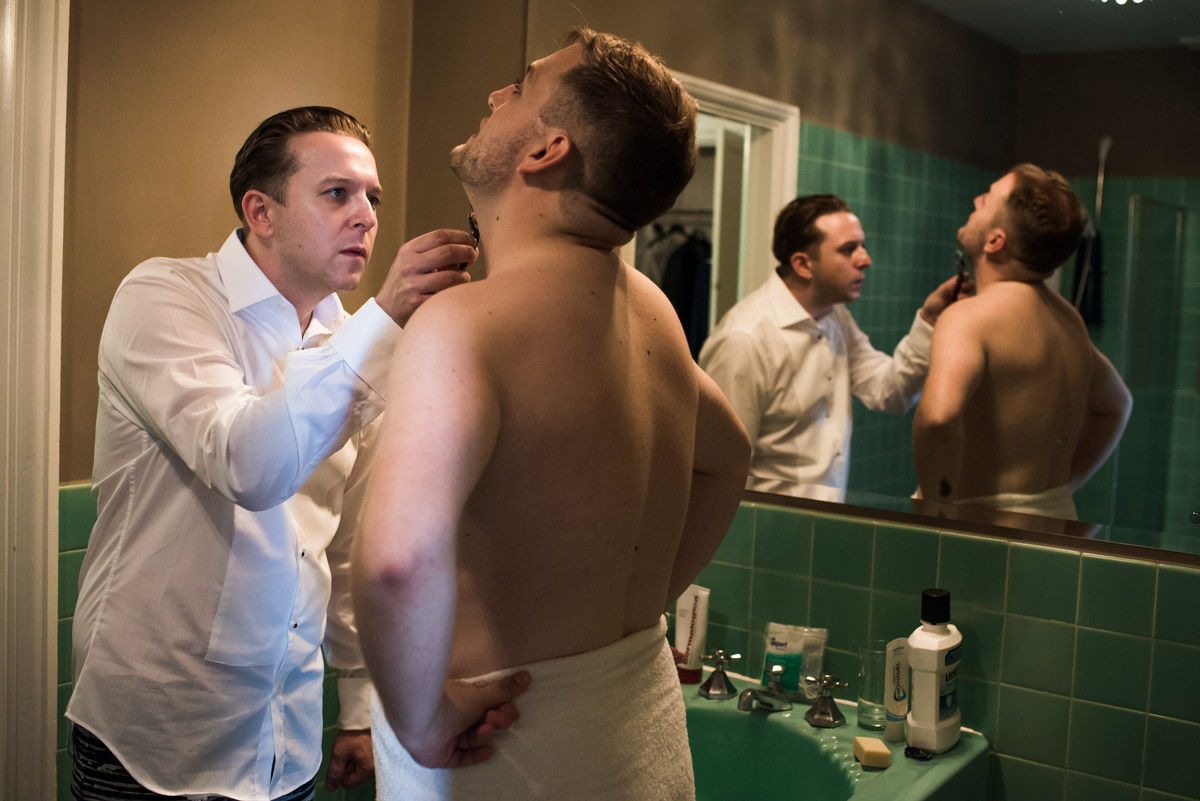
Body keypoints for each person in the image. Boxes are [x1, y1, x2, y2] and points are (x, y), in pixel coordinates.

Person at [352, 28, 751, 800]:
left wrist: (420, 721)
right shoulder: (654, 314)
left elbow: (397, 561)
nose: (498, 95)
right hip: (637, 735)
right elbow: (728, 458)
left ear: (546, 152)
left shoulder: (468, 323)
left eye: (522, 88)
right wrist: (641, 604)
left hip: (504, 751)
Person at [66, 106, 480, 801]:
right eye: (337, 193)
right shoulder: (165, 298)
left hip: (287, 737)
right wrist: (383, 319)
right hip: (154, 736)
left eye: (372, 197)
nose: (367, 216)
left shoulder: (358, 343)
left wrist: (355, 704)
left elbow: (347, 542)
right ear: (260, 211)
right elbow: (246, 462)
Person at [698, 194, 962, 502]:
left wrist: (929, 319)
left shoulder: (835, 318)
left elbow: (890, 391)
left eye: (861, 246)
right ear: (803, 264)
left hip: (819, 526)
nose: (866, 259)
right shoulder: (743, 340)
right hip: (760, 536)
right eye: (849, 250)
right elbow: (718, 470)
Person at [912, 163, 1132, 519]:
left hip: (985, 534)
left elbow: (938, 418)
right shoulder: (1068, 319)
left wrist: (935, 511)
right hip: (1057, 516)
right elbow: (1118, 404)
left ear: (995, 240)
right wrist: (1067, 483)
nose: (976, 198)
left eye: (987, 200)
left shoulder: (968, 318)